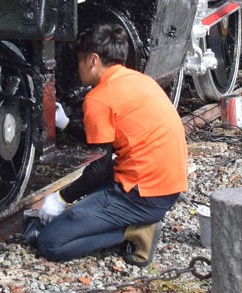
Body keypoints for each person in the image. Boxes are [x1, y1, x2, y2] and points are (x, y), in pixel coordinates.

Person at [29, 23, 187, 266]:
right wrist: (66, 124)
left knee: (51, 242)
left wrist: (60, 198)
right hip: (167, 188)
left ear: (92, 60)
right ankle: (127, 221)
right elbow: (106, 141)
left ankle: (134, 232)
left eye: (80, 61)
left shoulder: (98, 98)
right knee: (85, 201)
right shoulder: (139, 80)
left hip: (142, 196)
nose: (77, 67)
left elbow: (99, 168)